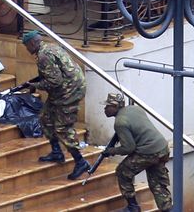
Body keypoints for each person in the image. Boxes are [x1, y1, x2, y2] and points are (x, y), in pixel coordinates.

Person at [22, 30, 89, 180]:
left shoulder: (43, 56)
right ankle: (57, 152)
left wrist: (36, 85)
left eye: (27, 46)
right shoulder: (51, 47)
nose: (27, 50)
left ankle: (80, 161)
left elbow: (54, 81)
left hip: (68, 91)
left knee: (62, 128)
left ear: (32, 43)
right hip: (66, 88)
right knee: (45, 118)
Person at [102, 93, 173, 212]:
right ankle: (168, 209)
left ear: (115, 106)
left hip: (148, 152)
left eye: (107, 106)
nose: (105, 109)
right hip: (162, 149)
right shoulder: (134, 109)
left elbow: (128, 148)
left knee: (123, 172)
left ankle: (132, 206)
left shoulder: (120, 122)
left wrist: (111, 151)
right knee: (157, 183)